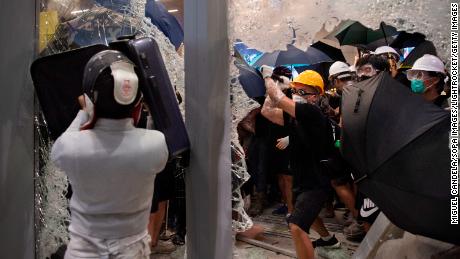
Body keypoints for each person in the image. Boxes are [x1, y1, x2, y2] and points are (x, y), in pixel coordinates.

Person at [51, 50, 169, 258]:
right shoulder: (155, 144)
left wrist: (84, 111)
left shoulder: (71, 146)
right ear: (137, 101)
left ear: (91, 99)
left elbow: (60, 150)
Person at [261, 68, 339, 259]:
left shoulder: (312, 112)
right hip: (303, 178)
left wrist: (268, 79)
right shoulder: (298, 116)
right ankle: (329, 240)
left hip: (317, 182)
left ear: (316, 96)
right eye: (295, 91)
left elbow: (278, 99)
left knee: (296, 226)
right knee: (305, 215)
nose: (297, 96)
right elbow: (267, 110)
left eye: (303, 92)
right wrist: (276, 87)